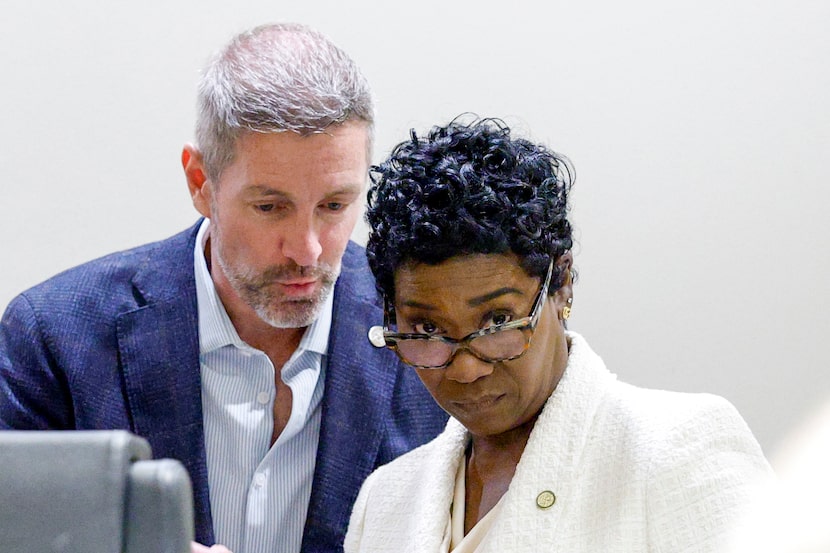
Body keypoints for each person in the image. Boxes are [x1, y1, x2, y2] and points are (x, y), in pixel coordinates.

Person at [0, 23, 447, 553]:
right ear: (200, 183)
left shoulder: (429, 334)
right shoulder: (54, 336)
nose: (307, 250)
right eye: (270, 207)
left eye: (334, 206)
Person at [344, 116, 773, 552]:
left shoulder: (676, 451)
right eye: (428, 329)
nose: (467, 368)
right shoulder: (385, 501)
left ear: (561, 284)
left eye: (496, 322)